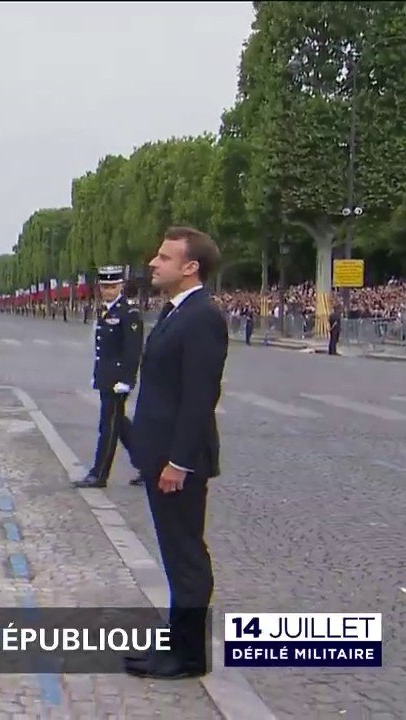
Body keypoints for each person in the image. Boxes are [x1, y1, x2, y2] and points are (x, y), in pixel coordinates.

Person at [125, 226, 228, 680]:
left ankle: (188, 656)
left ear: (191, 268)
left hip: (176, 462)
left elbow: (199, 395)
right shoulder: (176, 312)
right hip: (162, 454)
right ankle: (177, 644)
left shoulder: (201, 315)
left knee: (185, 557)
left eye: (164, 257)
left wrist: (179, 462)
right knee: (175, 553)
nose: (153, 262)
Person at [74, 266, 143, 489]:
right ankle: (148, 464)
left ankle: (99, 473)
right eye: (104, 286)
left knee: (109, 427)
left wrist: (127, 380)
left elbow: (133, 350)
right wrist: (98, 375)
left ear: (121, 286)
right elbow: (102, 348)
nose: (107, 291)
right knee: (120, 425)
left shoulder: (128, 313)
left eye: (112, 286)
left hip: (118, 381)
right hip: (107, 378)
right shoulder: (107, 311)